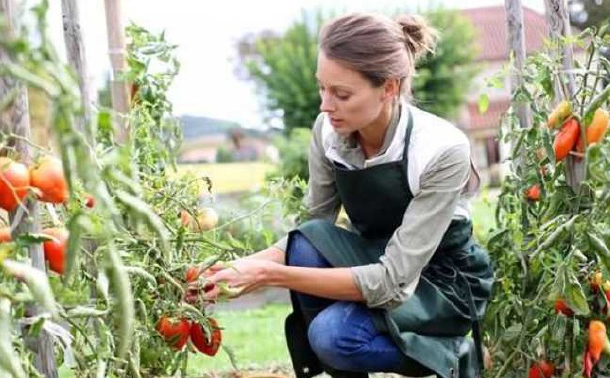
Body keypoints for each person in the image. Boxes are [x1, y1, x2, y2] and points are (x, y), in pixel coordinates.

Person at [188, 12, 494, 378]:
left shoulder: (442, 150)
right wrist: (236, 269)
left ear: (389, 88)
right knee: (306, 243)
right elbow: (314, 230)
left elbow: (393, 282)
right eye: (322, 88)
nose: (325, 105)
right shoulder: (329, 131)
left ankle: (450, 352)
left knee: (333, 335)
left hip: (441, 283)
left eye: (342, 94)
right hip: (375, 256)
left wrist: (271, 274)